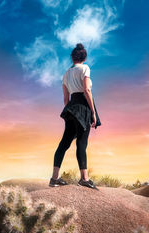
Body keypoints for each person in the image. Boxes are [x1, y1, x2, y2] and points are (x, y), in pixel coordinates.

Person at [49, 43, 101, 189]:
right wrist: (93, 112)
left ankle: (54, 178)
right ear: (84, 57)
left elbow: (66, 98)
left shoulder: (66, 74)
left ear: (72, 57)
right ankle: (84, 179)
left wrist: (68, 111)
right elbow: (86, 90)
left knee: (64, 143)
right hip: (83, 106)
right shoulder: (85, 68)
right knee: (82, 143)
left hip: (71, 107)